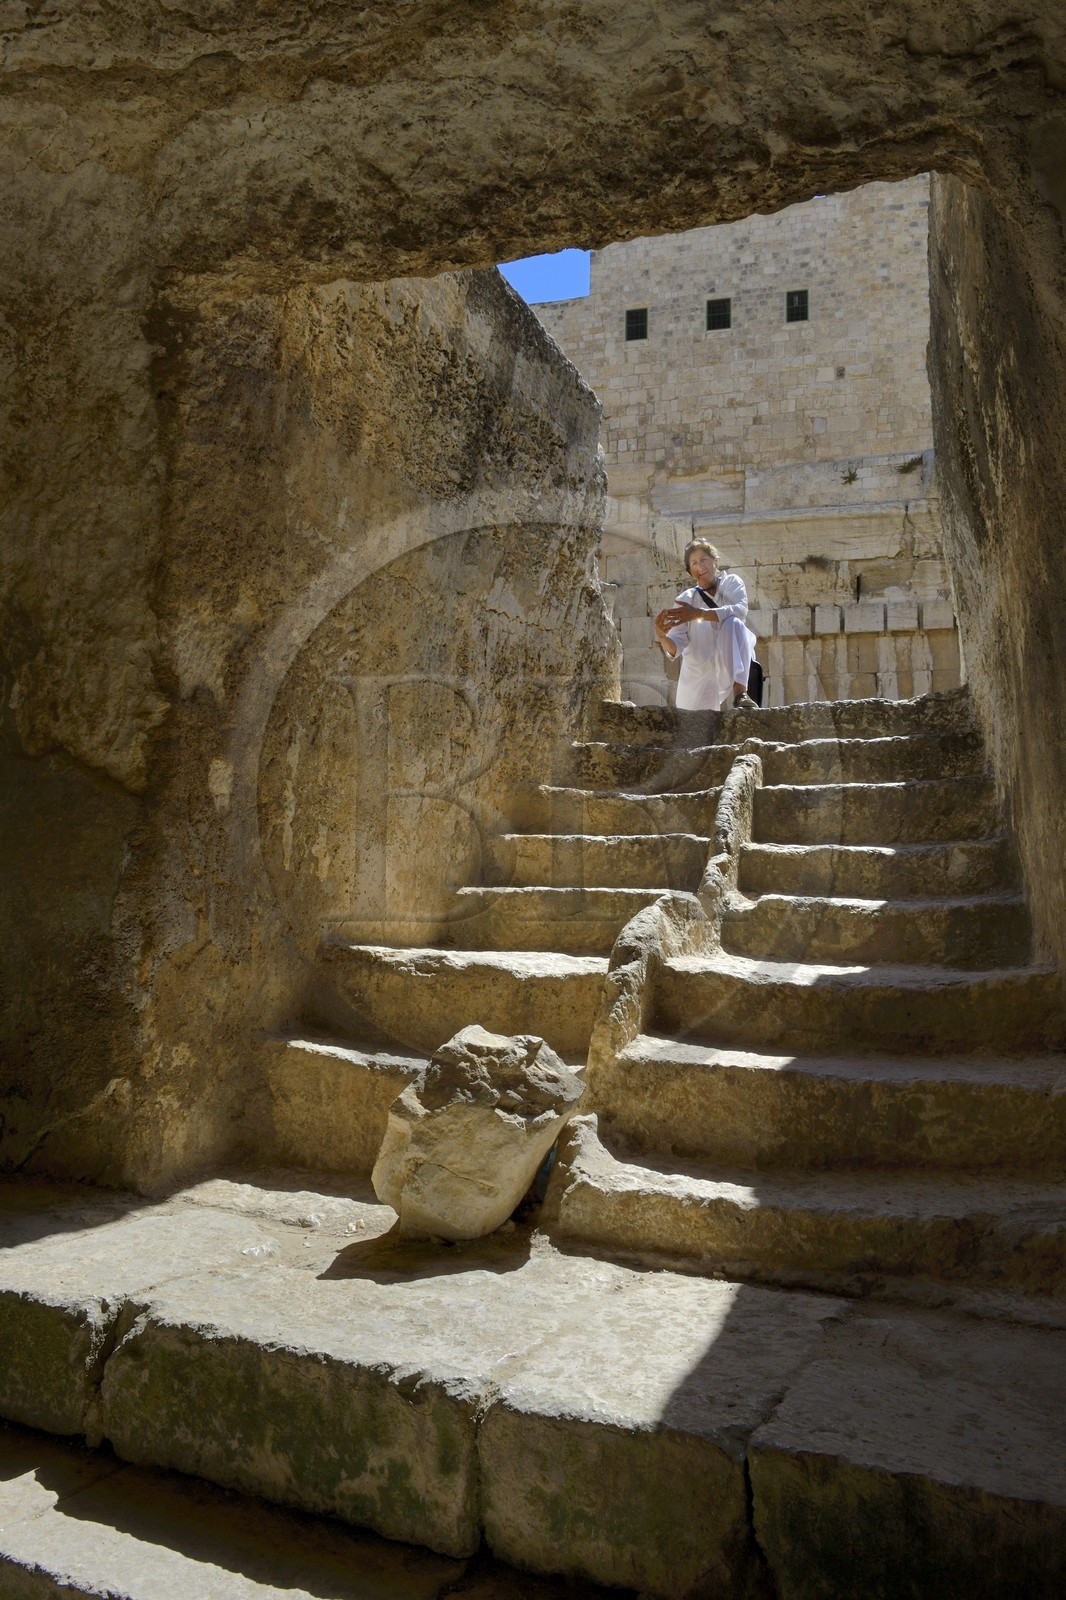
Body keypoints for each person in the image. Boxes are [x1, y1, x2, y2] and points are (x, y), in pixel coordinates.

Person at [654, 539, 759, 711]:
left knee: (733, 623)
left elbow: (740, 611)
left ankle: (740, 693)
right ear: (691, 572)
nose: (700, 566)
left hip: (729, 666)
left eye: (704, 560)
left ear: (716, 561)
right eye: (694, 563)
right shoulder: (685, 600)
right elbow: (675, 646)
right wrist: (662, 636)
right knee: (696, 732)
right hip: (699, 676)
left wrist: (699, 614)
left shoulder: (731, 583)